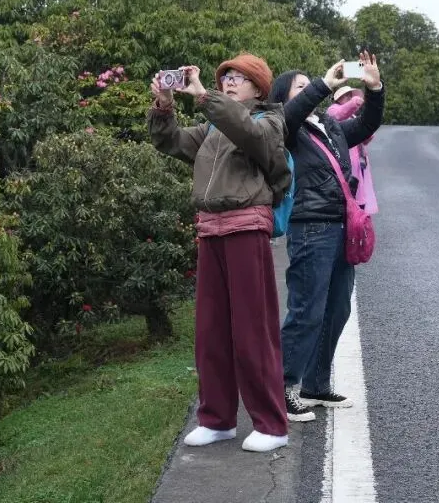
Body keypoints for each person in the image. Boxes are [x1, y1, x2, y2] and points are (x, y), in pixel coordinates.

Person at [147, 54, 291, 453]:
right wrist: (163, 105)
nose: (229, 81)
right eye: (225, 76)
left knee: (253, 330)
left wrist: (204, 97)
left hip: (246, 227)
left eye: (239, 78)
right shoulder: (213, 127)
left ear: (258, 88)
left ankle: (271, 424)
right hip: (211, 228)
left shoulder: (269, 121)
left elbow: (246, 131)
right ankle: (217, 419)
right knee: (211, 331)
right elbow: (170, 142)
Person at [268, 52, 384, 420]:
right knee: (307, 310)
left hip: (340, 226)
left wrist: (374, 88)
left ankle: (316, 385)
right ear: (284, 97)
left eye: (310, 84)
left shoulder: (328, 126)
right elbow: (290, 115)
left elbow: (366, 124)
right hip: (310, 227)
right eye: (301, 86)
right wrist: (323, 85)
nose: (311, 89)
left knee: (337, 308)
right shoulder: (284, 126)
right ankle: (282, 388)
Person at [326, 86, 378, 216]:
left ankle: (360, 218)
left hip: (360, 160)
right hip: (346, 159)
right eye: (346, 95)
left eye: (350, 95)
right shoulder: (332, 110)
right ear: (338, 98)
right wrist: (355, 102)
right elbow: (339, 114)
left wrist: (367, 133)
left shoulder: (353, 115)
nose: (349, 98)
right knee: (350, 191)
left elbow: (364, 138)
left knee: (361, 192)